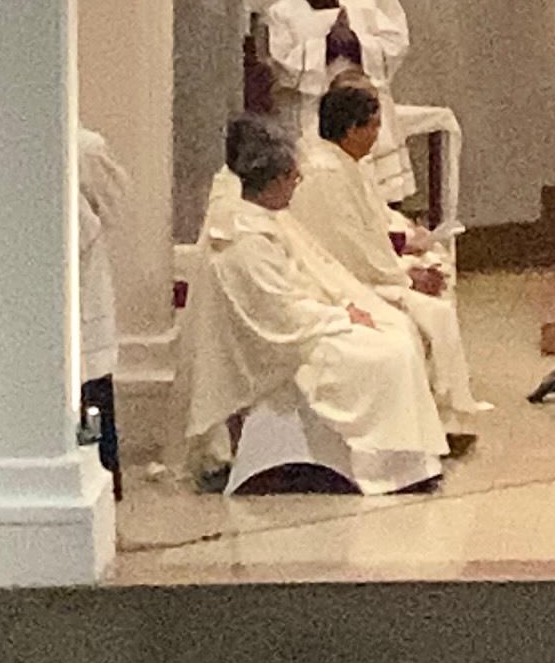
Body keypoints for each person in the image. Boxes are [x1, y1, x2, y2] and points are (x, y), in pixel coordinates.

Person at [183, 117, 446, 495]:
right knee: (388, 352)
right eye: (293, 176)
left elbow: (306, 278)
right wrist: (340, 315)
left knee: (397, 333)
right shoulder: (243, 238)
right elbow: (277, 315)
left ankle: (403, 462)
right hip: (282, 350)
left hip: (306, 323)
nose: (298, 182)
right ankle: (386, 465)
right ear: (273, 181)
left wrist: (343, 304)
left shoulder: (263, 219)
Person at [287, 82, 486, 427]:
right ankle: (428, 418)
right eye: (374, 126)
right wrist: (406, 277)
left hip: (358, 271)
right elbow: (347, 246)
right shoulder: (325, 173)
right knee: (428, 314)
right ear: (352, 130)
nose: (378, 135)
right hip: (340, 283)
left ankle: (435, 414)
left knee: (434, 286)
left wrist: (404, 248)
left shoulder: (340, 162)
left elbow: (366, 227)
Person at [259, 0, 432, 209]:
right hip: (311, 119)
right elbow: (280, 66)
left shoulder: (362, 6)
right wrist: (325, 47)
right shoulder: (282, 12)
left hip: (362, 120)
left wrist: (356, 44)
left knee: (375, 200)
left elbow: (395, 46)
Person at [75, 126, 128, 488]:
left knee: (93, 384)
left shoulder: (87, 147)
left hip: (85, 284)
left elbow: (112, 206)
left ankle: (105, 473)